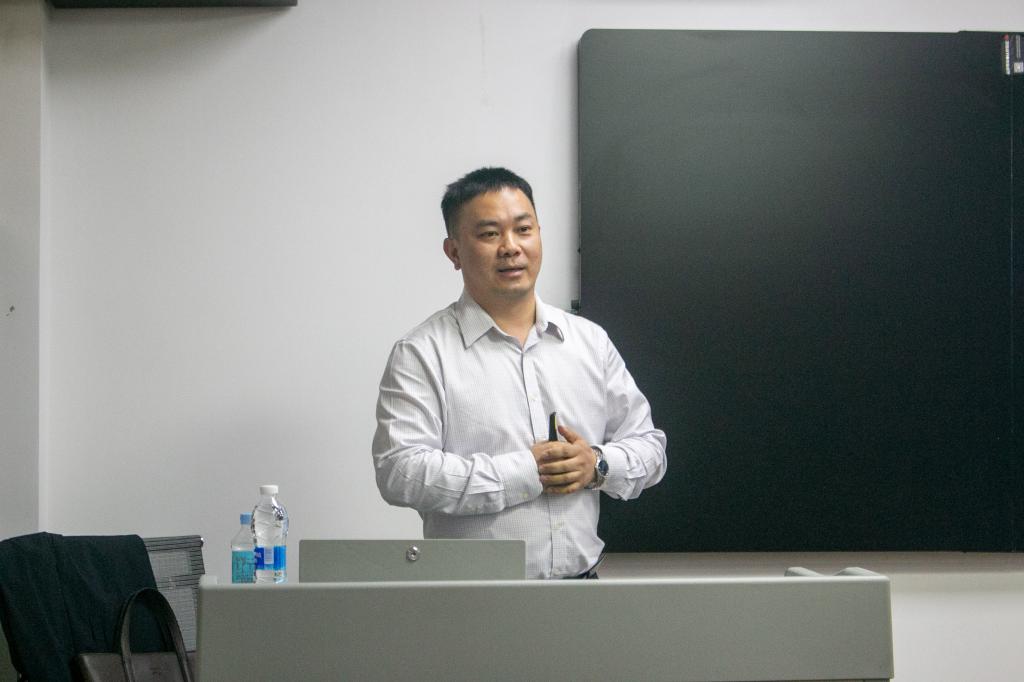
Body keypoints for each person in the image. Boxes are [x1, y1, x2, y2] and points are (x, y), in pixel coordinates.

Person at [372, 167, 666, 579]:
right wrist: (525, 471)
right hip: (474, 596)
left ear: (539, 235)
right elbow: (401, 471)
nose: (510, 247)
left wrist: (596, 465)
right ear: (454, 252)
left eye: (523, 229)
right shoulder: (422, 353)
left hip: (584, 589)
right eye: (489, 234)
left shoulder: (589, 341)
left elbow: (650, 448)